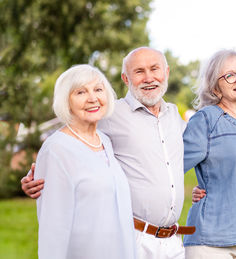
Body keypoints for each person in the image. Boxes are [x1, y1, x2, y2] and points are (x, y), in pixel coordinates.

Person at [21, 47, 195, 259]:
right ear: (125, 78)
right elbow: (70, 140)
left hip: (173, 242)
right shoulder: (109, 115)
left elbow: (204, 150)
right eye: (139, 71)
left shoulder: (174, 116)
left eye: (154, 69)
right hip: (135, 237)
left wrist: (206, 186)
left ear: (166, 72)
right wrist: (36, 178)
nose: (149, 78)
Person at [34, 64, 135, 259]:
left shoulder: (104, 141)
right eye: (81, 92)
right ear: (66, 101)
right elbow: (53, 229)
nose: (92, 98)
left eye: (98, 89)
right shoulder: (56, 150)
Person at [183, 50, 236, 259]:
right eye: (229, 75)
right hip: (210, 241)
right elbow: (171, 168)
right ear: (214, 87)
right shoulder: (206, 119)